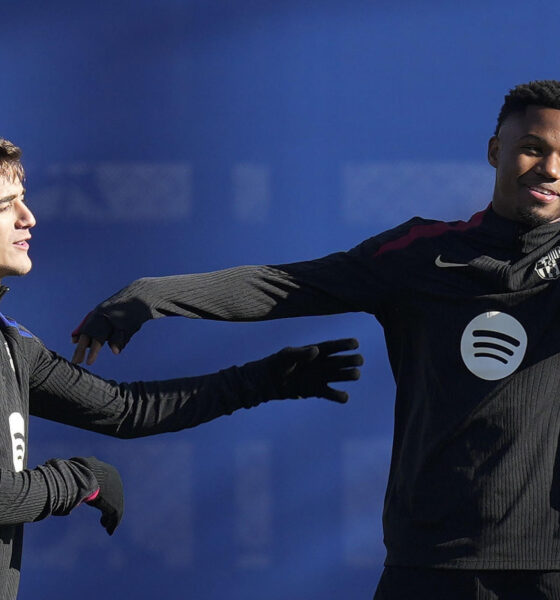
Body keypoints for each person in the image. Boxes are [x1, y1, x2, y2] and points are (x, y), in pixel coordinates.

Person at [73, 79, 560, 599]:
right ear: (495, 151)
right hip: (427, 561)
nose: (550, 168)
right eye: (534, 148)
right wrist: (154, 294)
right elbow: (289, 285)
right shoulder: (422, 253)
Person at [0, 138, 363, 599]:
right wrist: (81, 479)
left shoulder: (12, 341)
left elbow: (124, 410)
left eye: (23, 200)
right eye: (6, 204)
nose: (27, 217)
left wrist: (264, 380)